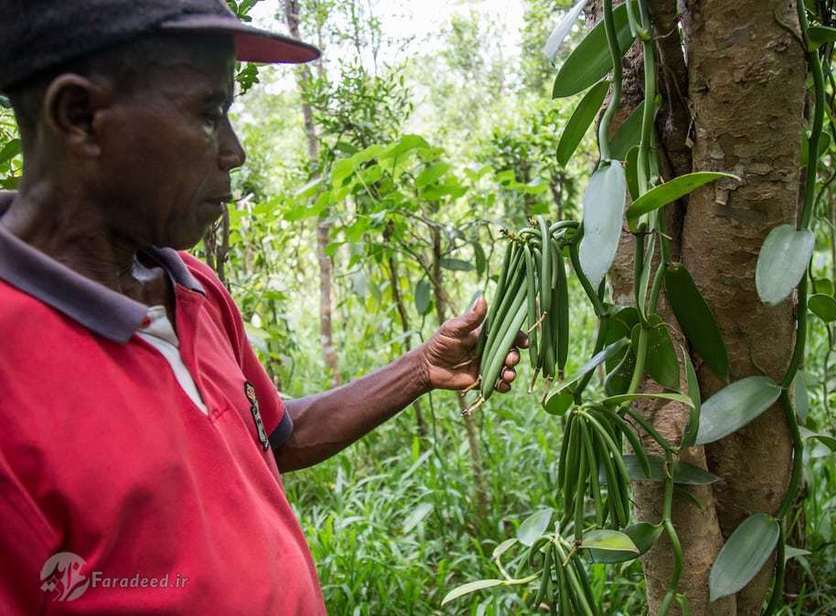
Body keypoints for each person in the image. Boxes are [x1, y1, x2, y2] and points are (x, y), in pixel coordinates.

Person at [0, 2, 525, 613]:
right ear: (80, 116)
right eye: (208, 113)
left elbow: (278, 437)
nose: (235, 150)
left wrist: (423, 368)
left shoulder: (189, 284)